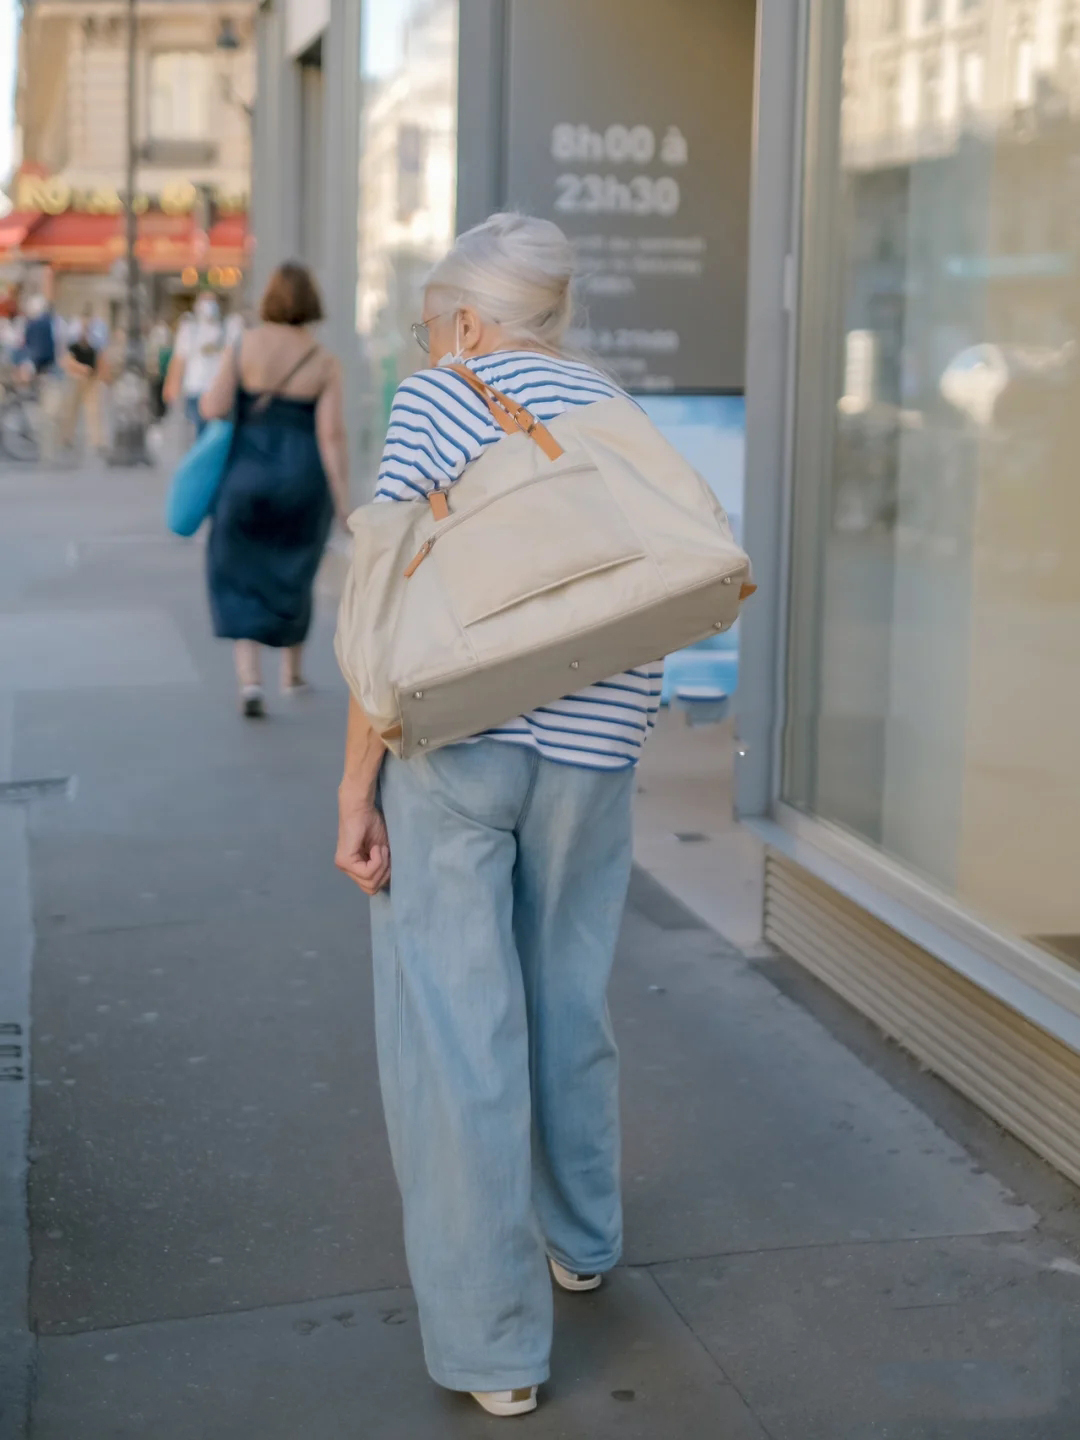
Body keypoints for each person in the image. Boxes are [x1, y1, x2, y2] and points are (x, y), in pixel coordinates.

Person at [334, 213, 663, 1419]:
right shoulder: (612, 406)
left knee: (458, 1036)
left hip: (461, 740)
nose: (435, 343)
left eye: (435, 324)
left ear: (469, 320)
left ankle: (494, 1351)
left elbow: (381, 606)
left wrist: (353, 786)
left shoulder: (441, 397)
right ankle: (583, 1234)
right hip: (597, 747)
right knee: (567, 996)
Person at [199, 262, 350, 717]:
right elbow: (332, 436)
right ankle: (292, 672)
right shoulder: (324, 361)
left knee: (240, 569)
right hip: (303, 480)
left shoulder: (244, 344)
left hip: (246, 475)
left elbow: (213, 405)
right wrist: (344, 502)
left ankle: (250, 682)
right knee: (293, 571)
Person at [164, 292, 227, 440]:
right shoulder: (190, 329)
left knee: (214, 435)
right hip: (195, 389)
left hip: (216, 390)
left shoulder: (226, 328)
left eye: (212, 301)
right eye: (206, 301)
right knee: (198, 433)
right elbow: (179, 358)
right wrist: (172, 384)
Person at [59, 311, 104, 456]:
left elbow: (98, 361)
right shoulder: (74, 345)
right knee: (72, 410)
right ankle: (67, 437)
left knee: (93, 411)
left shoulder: (93, 345)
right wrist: (81, 369)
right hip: (77, 379)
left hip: (91, 379)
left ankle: (96, 440)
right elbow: (68, 361)